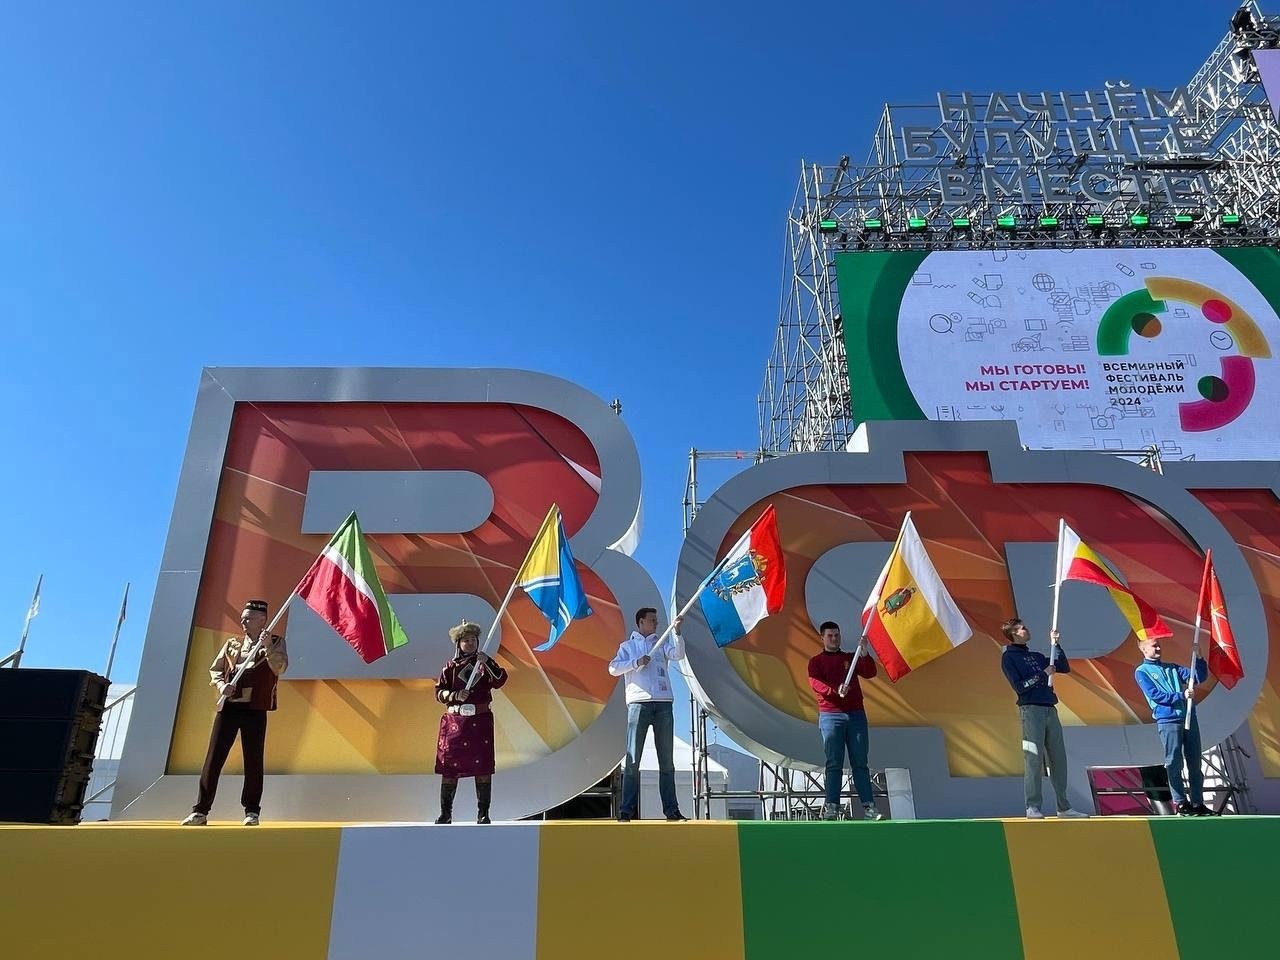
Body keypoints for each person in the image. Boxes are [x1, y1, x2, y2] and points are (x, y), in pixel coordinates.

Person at [181, 599, 288, 826]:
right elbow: (216, 670)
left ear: (262, 620)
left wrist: (267, 646)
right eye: (243, 618)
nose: (243, 621)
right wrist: (222, 686)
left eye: (248, 618)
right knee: (214, 758)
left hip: (255, 708)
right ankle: (200, 810)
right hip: (229, 707)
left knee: (253, 759)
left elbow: (280, 668)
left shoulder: (276, 642)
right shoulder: (232, 644)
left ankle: (252, 811)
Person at [999, 618, 1088, 819]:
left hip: (1050, 708)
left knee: (1058, 758)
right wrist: (1042, 674)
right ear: (1013, 634)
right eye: (1022, 628)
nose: (1026, 630)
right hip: (1030, 710)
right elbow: (1020, 687)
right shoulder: (1009, 658)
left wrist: (1056, 644)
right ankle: (1032, 806)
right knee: (1033, 757)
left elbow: (1063, 666)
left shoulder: (1037, 656)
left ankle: (1063, 807)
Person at [608, 608, 688, 822]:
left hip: (663, 703)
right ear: (641, 622)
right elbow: (613, 668)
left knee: (667, 761)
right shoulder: (628, 647)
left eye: (656, 620)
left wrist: (677, 632)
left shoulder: (660, 643)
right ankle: (626, 810)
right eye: (652, 620)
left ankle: (672, 811)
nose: (656, 623)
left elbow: (678, 654)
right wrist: (636, 663)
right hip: (638, 703)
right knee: (633, 759)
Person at [807, 621, 883, 821]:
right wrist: (835, 690)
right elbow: (815, 683)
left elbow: (870, 672)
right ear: (822, 638)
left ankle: (869, 808)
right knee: (834, 763)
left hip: (856, 715)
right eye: (830, 635)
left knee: (860, 762)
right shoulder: (815, 662)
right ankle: (831, 807)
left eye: (837, 635)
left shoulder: (851, 657)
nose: (834, 638)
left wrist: (864, 653)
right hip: (830, 716)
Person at [434, 620, 508, 824]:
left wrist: (488, 662)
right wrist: (455, 695)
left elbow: (500, 680)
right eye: (466, 640)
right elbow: (439, 693)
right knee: (450, 768)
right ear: (459, 643)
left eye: (474, 640)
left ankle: (483, 814)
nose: (471, 643)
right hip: (455, 723)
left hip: (480, 722)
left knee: (482, 767)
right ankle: (446, 813)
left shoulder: (483, 665)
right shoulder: (450, 667)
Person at [1134, 635, 1213, 816]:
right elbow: (1155, 695)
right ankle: (1181, 803)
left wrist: (1199, 657)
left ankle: (1198, 803)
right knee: (1174, 762)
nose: (1158, 648)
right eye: (1154, 646)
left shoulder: (1172, 668)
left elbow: (1197, 677)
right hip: (1168, 720)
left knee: (1195, 762)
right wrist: (1181, 695)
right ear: (1143, 649)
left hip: (1188, 717)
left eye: (1159, 645)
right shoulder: (1142, 671)